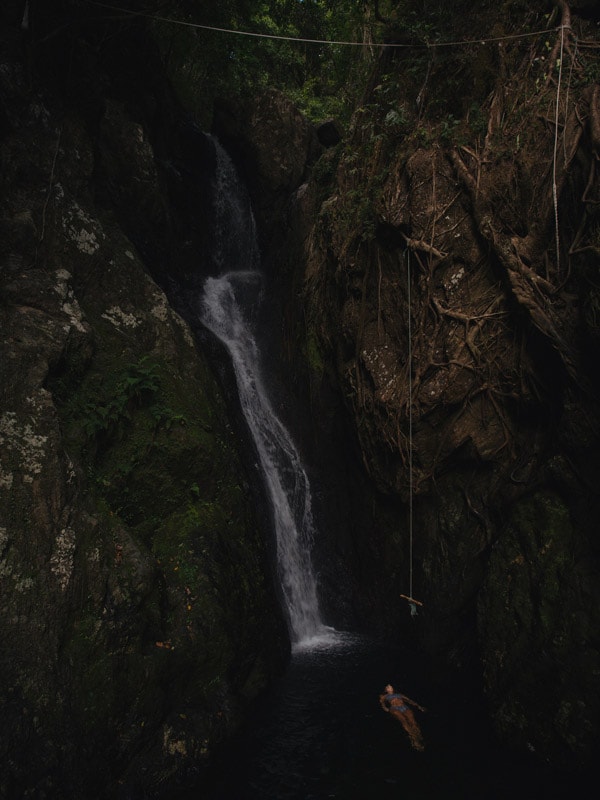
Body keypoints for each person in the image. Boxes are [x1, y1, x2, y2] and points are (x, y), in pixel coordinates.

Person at [379, 684, 426, 751]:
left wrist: (419, 706)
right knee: (403, 720)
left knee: (413, 722)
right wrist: (385, 708)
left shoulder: (399, 694)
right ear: (386, 690)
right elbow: (382, 703)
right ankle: (412, 736)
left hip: (404, 707)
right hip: (394, 708)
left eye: (390, 686)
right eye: (388, 687)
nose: (390, 687)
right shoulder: (384, 696)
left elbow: (409, 700)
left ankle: (418, 737)